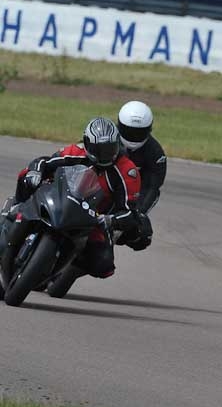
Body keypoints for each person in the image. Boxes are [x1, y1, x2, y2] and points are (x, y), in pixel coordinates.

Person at [12, 117, 142, 280]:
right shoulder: (76, 151)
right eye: (99, 150)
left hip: (95, 218)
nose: (104, 155)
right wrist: (35, 172)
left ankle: (67, 267)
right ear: (87, 144)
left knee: (104, 266)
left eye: (109, 149)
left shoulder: (128, 171)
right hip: (60, 198)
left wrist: (111, 220)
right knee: (26, 175)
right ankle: (15, 208)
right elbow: (45, 162)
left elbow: (130, 212)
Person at [115, 100, 167, 251]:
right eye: (129, 131)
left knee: (143, 235)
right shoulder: (107, 137)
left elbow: (152, 187)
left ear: (149, 129)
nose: (133, 136)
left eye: (138, 132)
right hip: (100, 189)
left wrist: (137, 213)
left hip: (127, 200)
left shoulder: (155, 153)